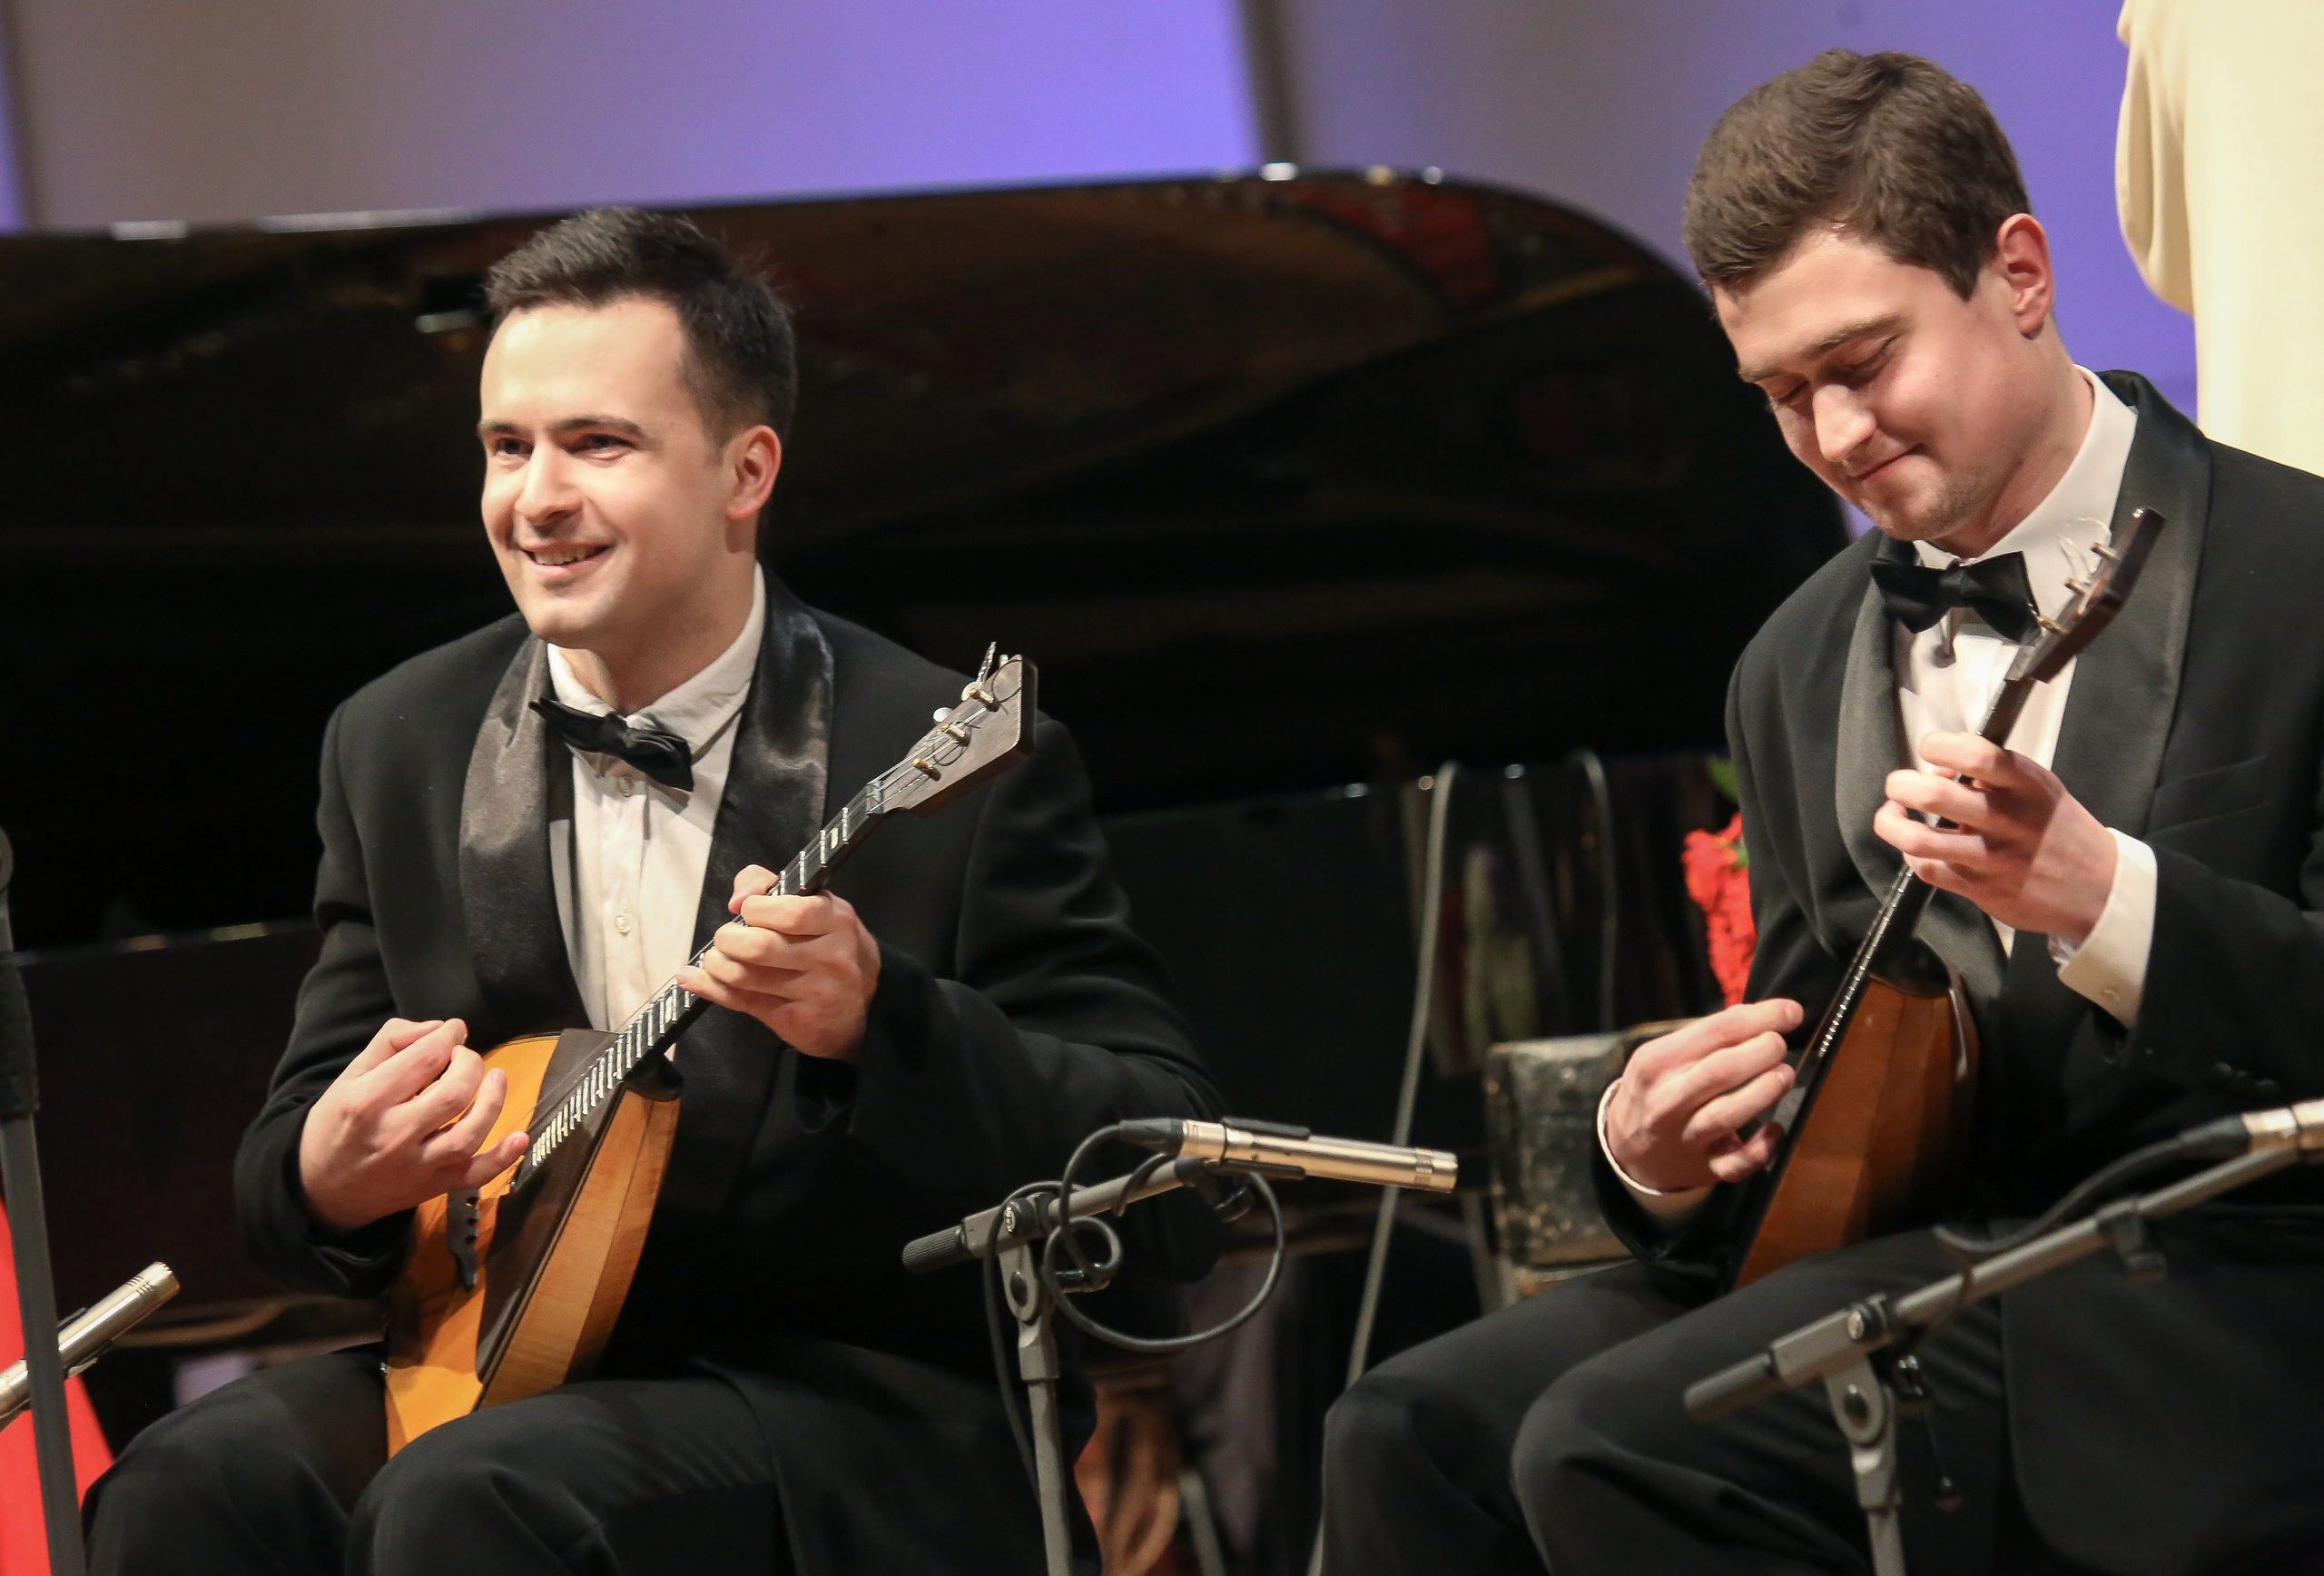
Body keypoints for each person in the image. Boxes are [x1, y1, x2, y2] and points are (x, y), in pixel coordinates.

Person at [84, 207, 1222, 1574]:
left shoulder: (945, 753)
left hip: (853, 1398)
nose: (536, 498)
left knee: (476, 1494)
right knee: (191, 1480)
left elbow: (1171, 1180)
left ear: (747, 472)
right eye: (508, 448)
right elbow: (295, 1169)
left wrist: (885, 1024)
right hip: (507, 1358)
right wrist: (334, 1178)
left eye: (597, 445)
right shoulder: (400, 739)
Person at [1322, 50, 2324, 1576]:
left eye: (1864, 362)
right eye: (1784, 395)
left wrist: (2103, 897)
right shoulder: (1789, 663)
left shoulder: (2299, 567)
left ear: (2021, 273)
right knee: (1406, 1431)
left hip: (2205, 1289)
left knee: (1614, 1441)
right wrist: (1660, 1157)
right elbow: (1830, 1066)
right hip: (1908, 1263)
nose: (1835, 435)